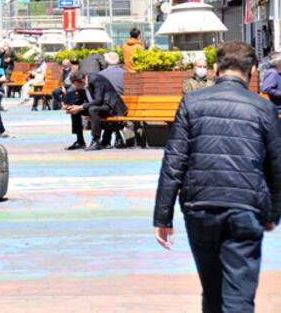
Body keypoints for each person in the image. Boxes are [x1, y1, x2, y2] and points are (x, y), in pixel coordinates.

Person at [153, 41, 281, 312]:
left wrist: (162, 217)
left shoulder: (192, 103)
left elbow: (174, 161)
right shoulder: (263, 108)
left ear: (214, 68)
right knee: (239, 295)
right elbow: (276, 165)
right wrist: (272, 213)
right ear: (252, 70)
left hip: (200, 206)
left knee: (212, 291)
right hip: (246, 207)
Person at [63, 70, 127, 151]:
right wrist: (71, 106)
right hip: (99, 106)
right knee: (75, 111)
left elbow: (98, 100)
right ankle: (80, 141)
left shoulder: (96, 80)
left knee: (93, 110)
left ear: (82, 81)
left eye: (77, 85)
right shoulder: (83, 84)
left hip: (110, 106)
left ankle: (96, 141)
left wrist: (80, 107)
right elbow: (80, 99)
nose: (77, 88)